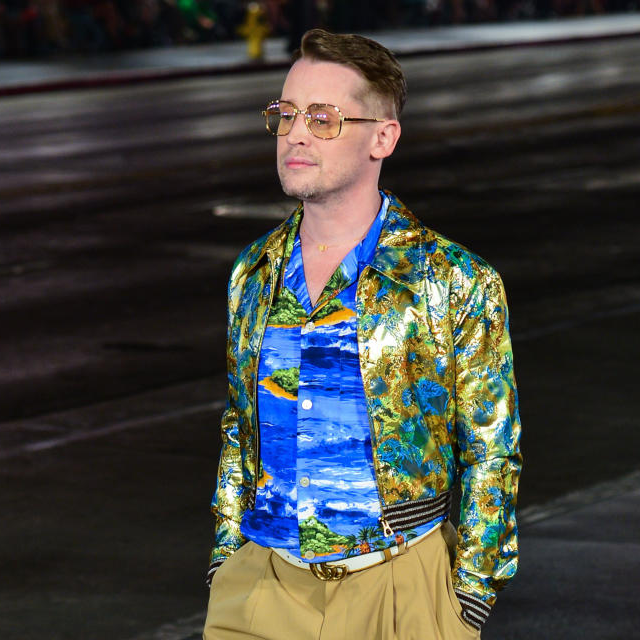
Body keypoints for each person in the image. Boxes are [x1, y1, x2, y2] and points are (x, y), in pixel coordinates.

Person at [205, 28, 521, 640]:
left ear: (383, 137)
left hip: (398, 588)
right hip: (262, 585)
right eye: (286, 113)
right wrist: (225, 562)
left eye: (324, 119)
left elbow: (490, 448)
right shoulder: (255, 271)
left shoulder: (453, 280)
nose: (296, 133)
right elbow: (238, 430)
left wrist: (471, 597)